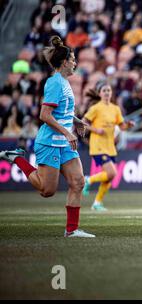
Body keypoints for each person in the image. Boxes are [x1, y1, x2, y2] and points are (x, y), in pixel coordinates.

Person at [0, 36, 95, 237]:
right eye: (73, 59)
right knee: (47, 191)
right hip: (50, 142)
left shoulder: (65, 82)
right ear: (64, 62)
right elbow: (44, 115)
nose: (76, 63)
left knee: (78, 182)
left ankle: (72, 230)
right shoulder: (54, 83)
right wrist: (68, 131)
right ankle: (16, 158)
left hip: (65, 144)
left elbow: (63, 111)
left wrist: (75, 121)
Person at [81, 82, 134, 211]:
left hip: (110, 146)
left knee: (109, 176)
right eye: (104, 90)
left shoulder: (115, 108)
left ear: (111, 93)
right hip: (98, 145)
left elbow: (121, 126)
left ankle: (97, 203)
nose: (106, 93)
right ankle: (88, 180)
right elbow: (82, 123)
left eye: (108, 90)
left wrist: (128, 125)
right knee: (112, 173)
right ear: (99, 93)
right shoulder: (95, 108)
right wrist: (95, 129)